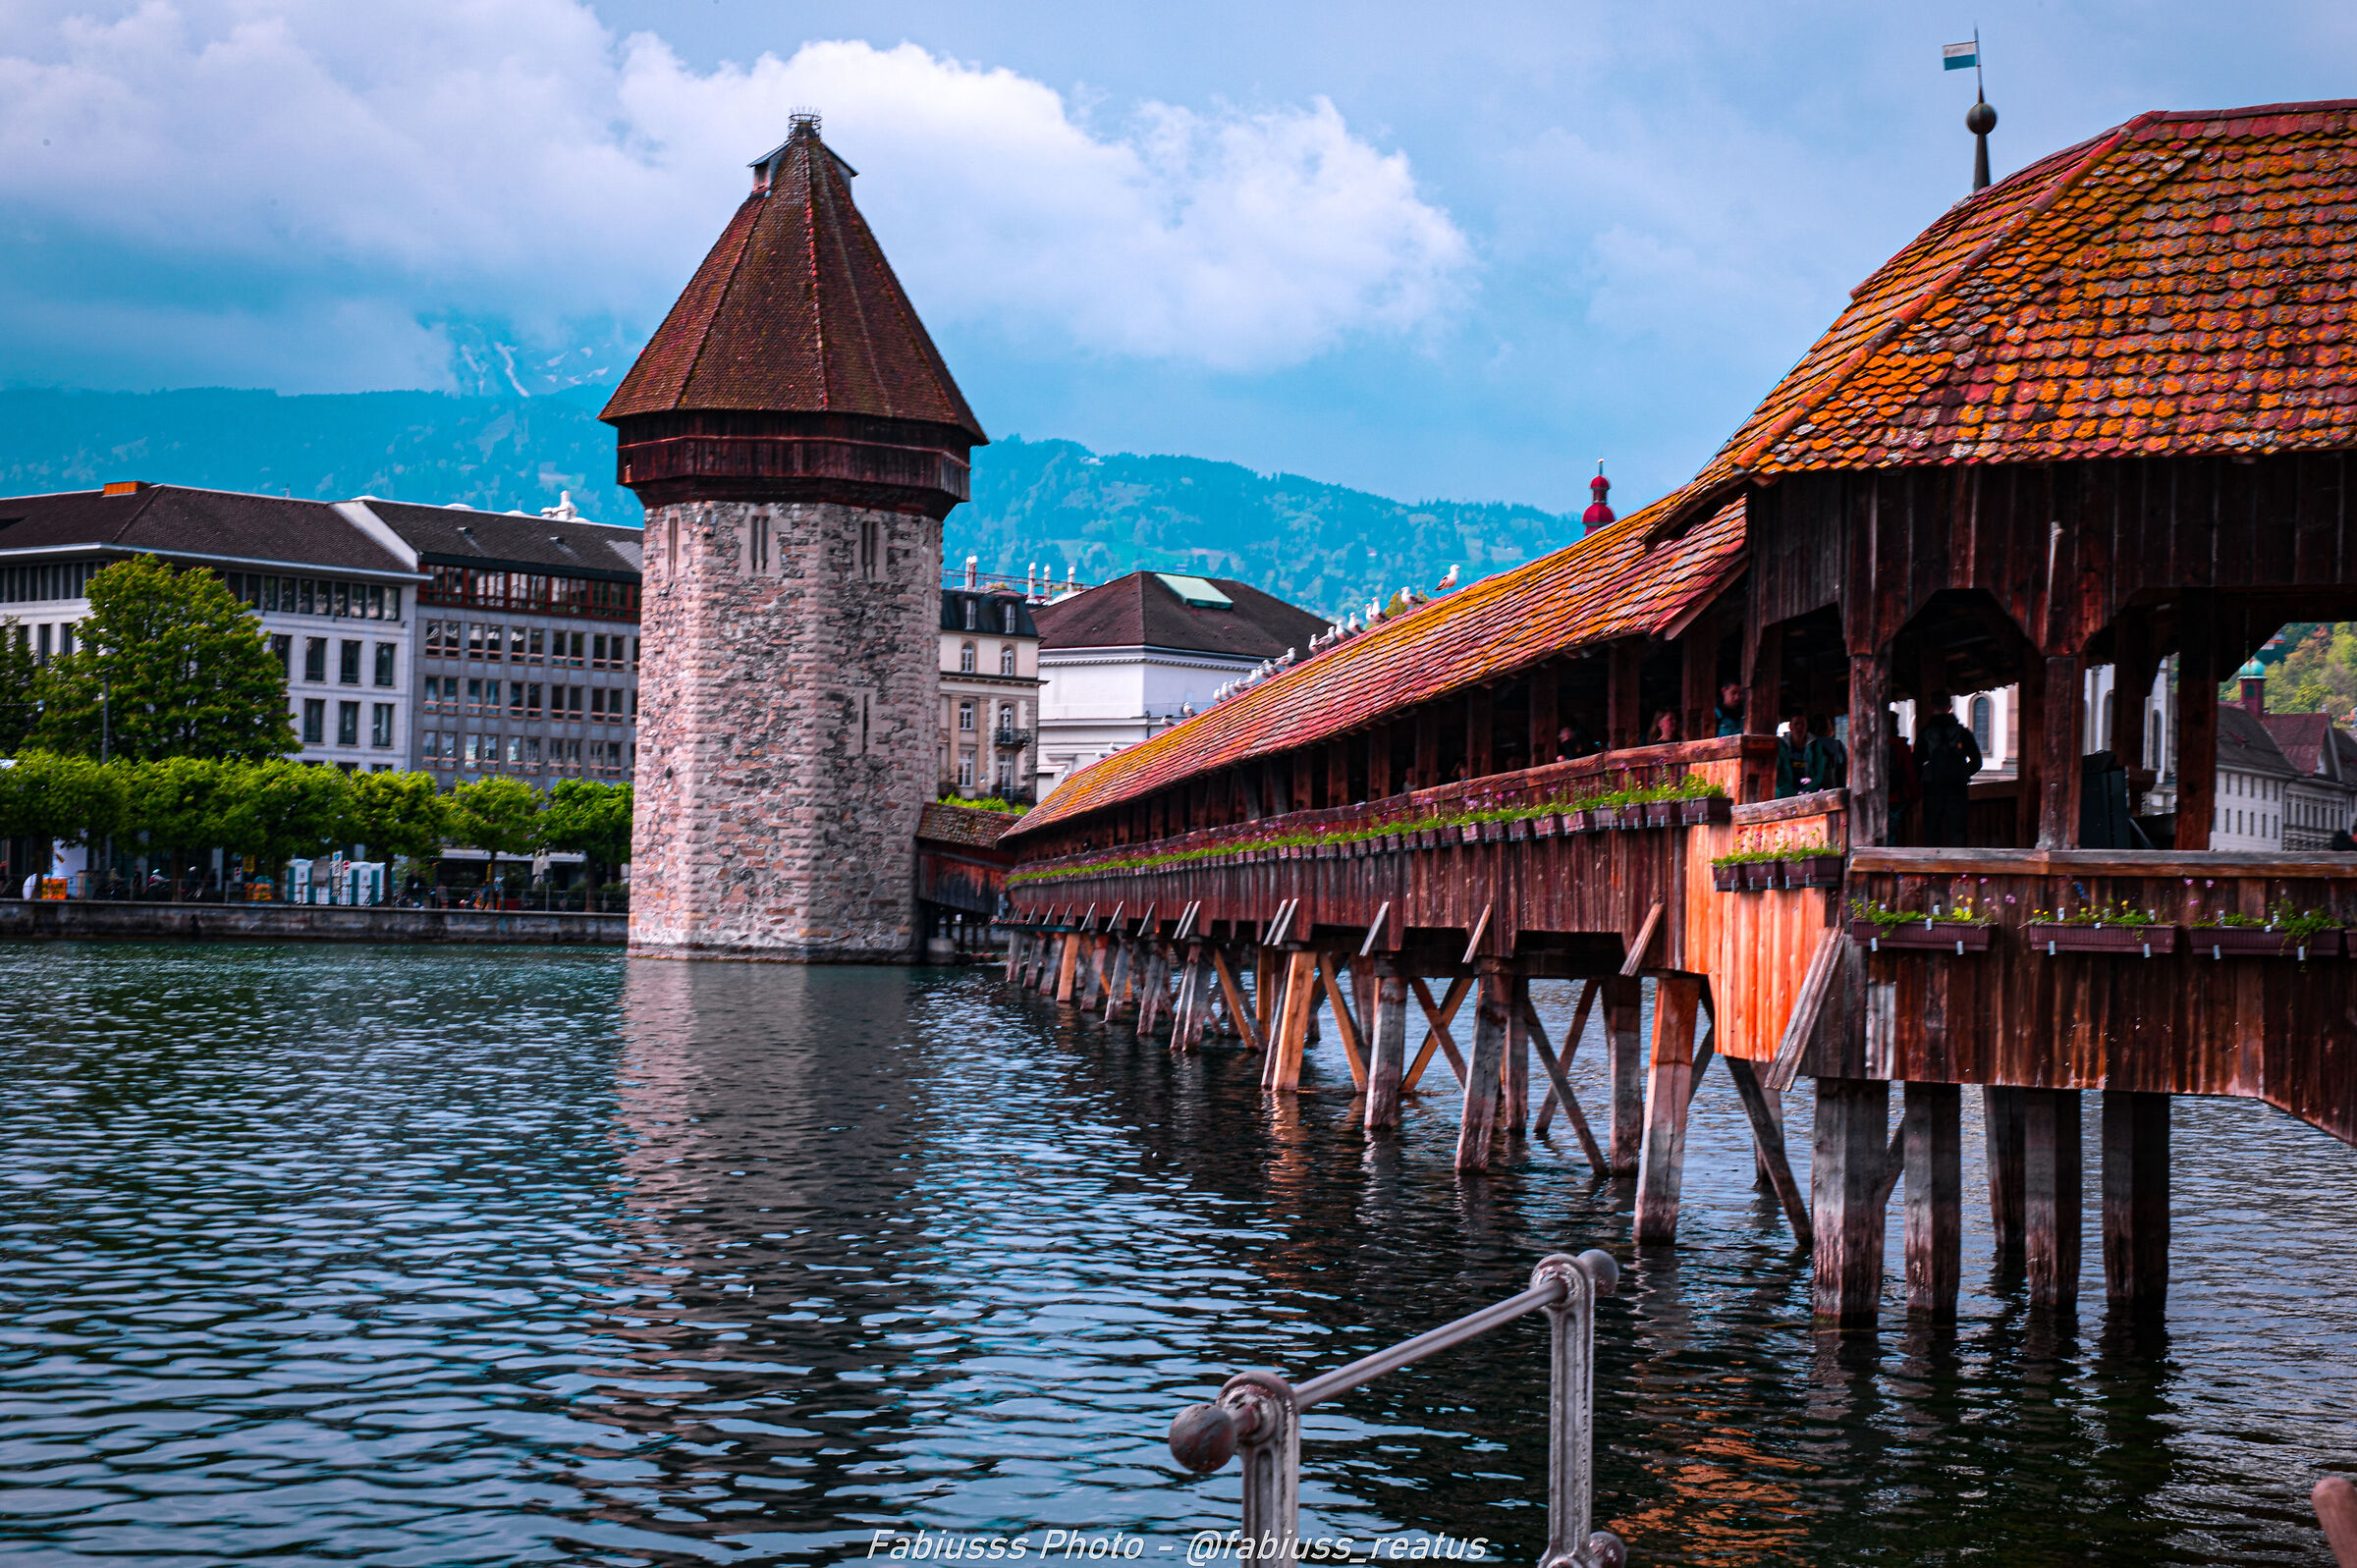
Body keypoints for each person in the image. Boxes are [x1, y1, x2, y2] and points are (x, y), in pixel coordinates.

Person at [1915, 693, 1982, 845]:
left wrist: (1926, 776)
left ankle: (1931, 868)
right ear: (1950, 707)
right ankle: (1960, 868)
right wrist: (1963, 773)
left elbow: (1916, 762)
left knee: (1931, 832)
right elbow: (1977, 762)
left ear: (1932, 707)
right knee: (1958, 833)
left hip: (1932, 789)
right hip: (1958, 789)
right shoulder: (1962, 733)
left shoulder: (1925, 733)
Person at [1804, 714, 1848, 791]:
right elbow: (1843, 764)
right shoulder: (1837, 744)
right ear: (1829, 726)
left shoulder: (1809, 745)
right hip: (1833, 786)